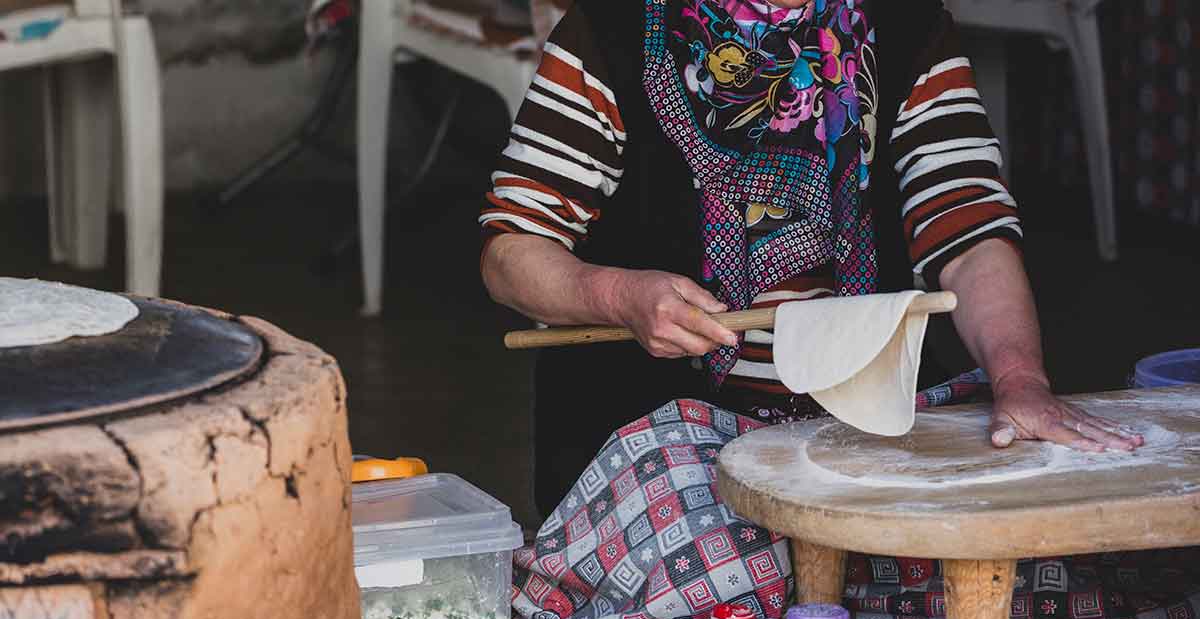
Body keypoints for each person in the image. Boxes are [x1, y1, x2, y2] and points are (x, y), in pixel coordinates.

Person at [478, 0, 1143, 517]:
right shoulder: (613, 28)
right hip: (661, 452)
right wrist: (615, 296)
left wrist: (1018, 378)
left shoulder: (904, 24)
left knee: (1013, 552)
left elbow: (967, 232)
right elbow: (511, 252)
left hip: (860, 438)